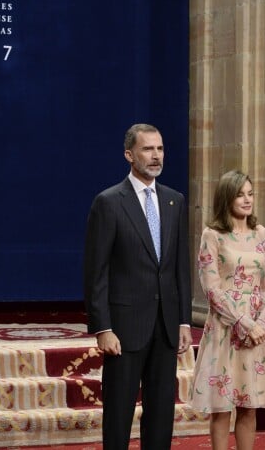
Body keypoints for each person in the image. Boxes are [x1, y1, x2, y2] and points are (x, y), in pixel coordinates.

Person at [83, 123, 193, 450]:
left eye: (160, 149)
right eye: (148, 149)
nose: (156, 156)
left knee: (161, 413)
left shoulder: (175, 201)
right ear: (129, 155)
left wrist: (184, 320)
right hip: (125, 328)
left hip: (165, 327)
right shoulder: (109, 202)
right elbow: (95, 272)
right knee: (118, 413)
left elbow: (179, 267)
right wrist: (103, 327)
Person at [190, 169, 265, 450]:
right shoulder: (213, 235)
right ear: (226, 198)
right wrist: (244, 323)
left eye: (250, 193)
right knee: (222, 406)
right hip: (225, 327)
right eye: (240, 194)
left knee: (249, 404)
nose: (247, 200)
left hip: (257, 331)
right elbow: (211, 289)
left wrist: (261, 323)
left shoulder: (262, 234)